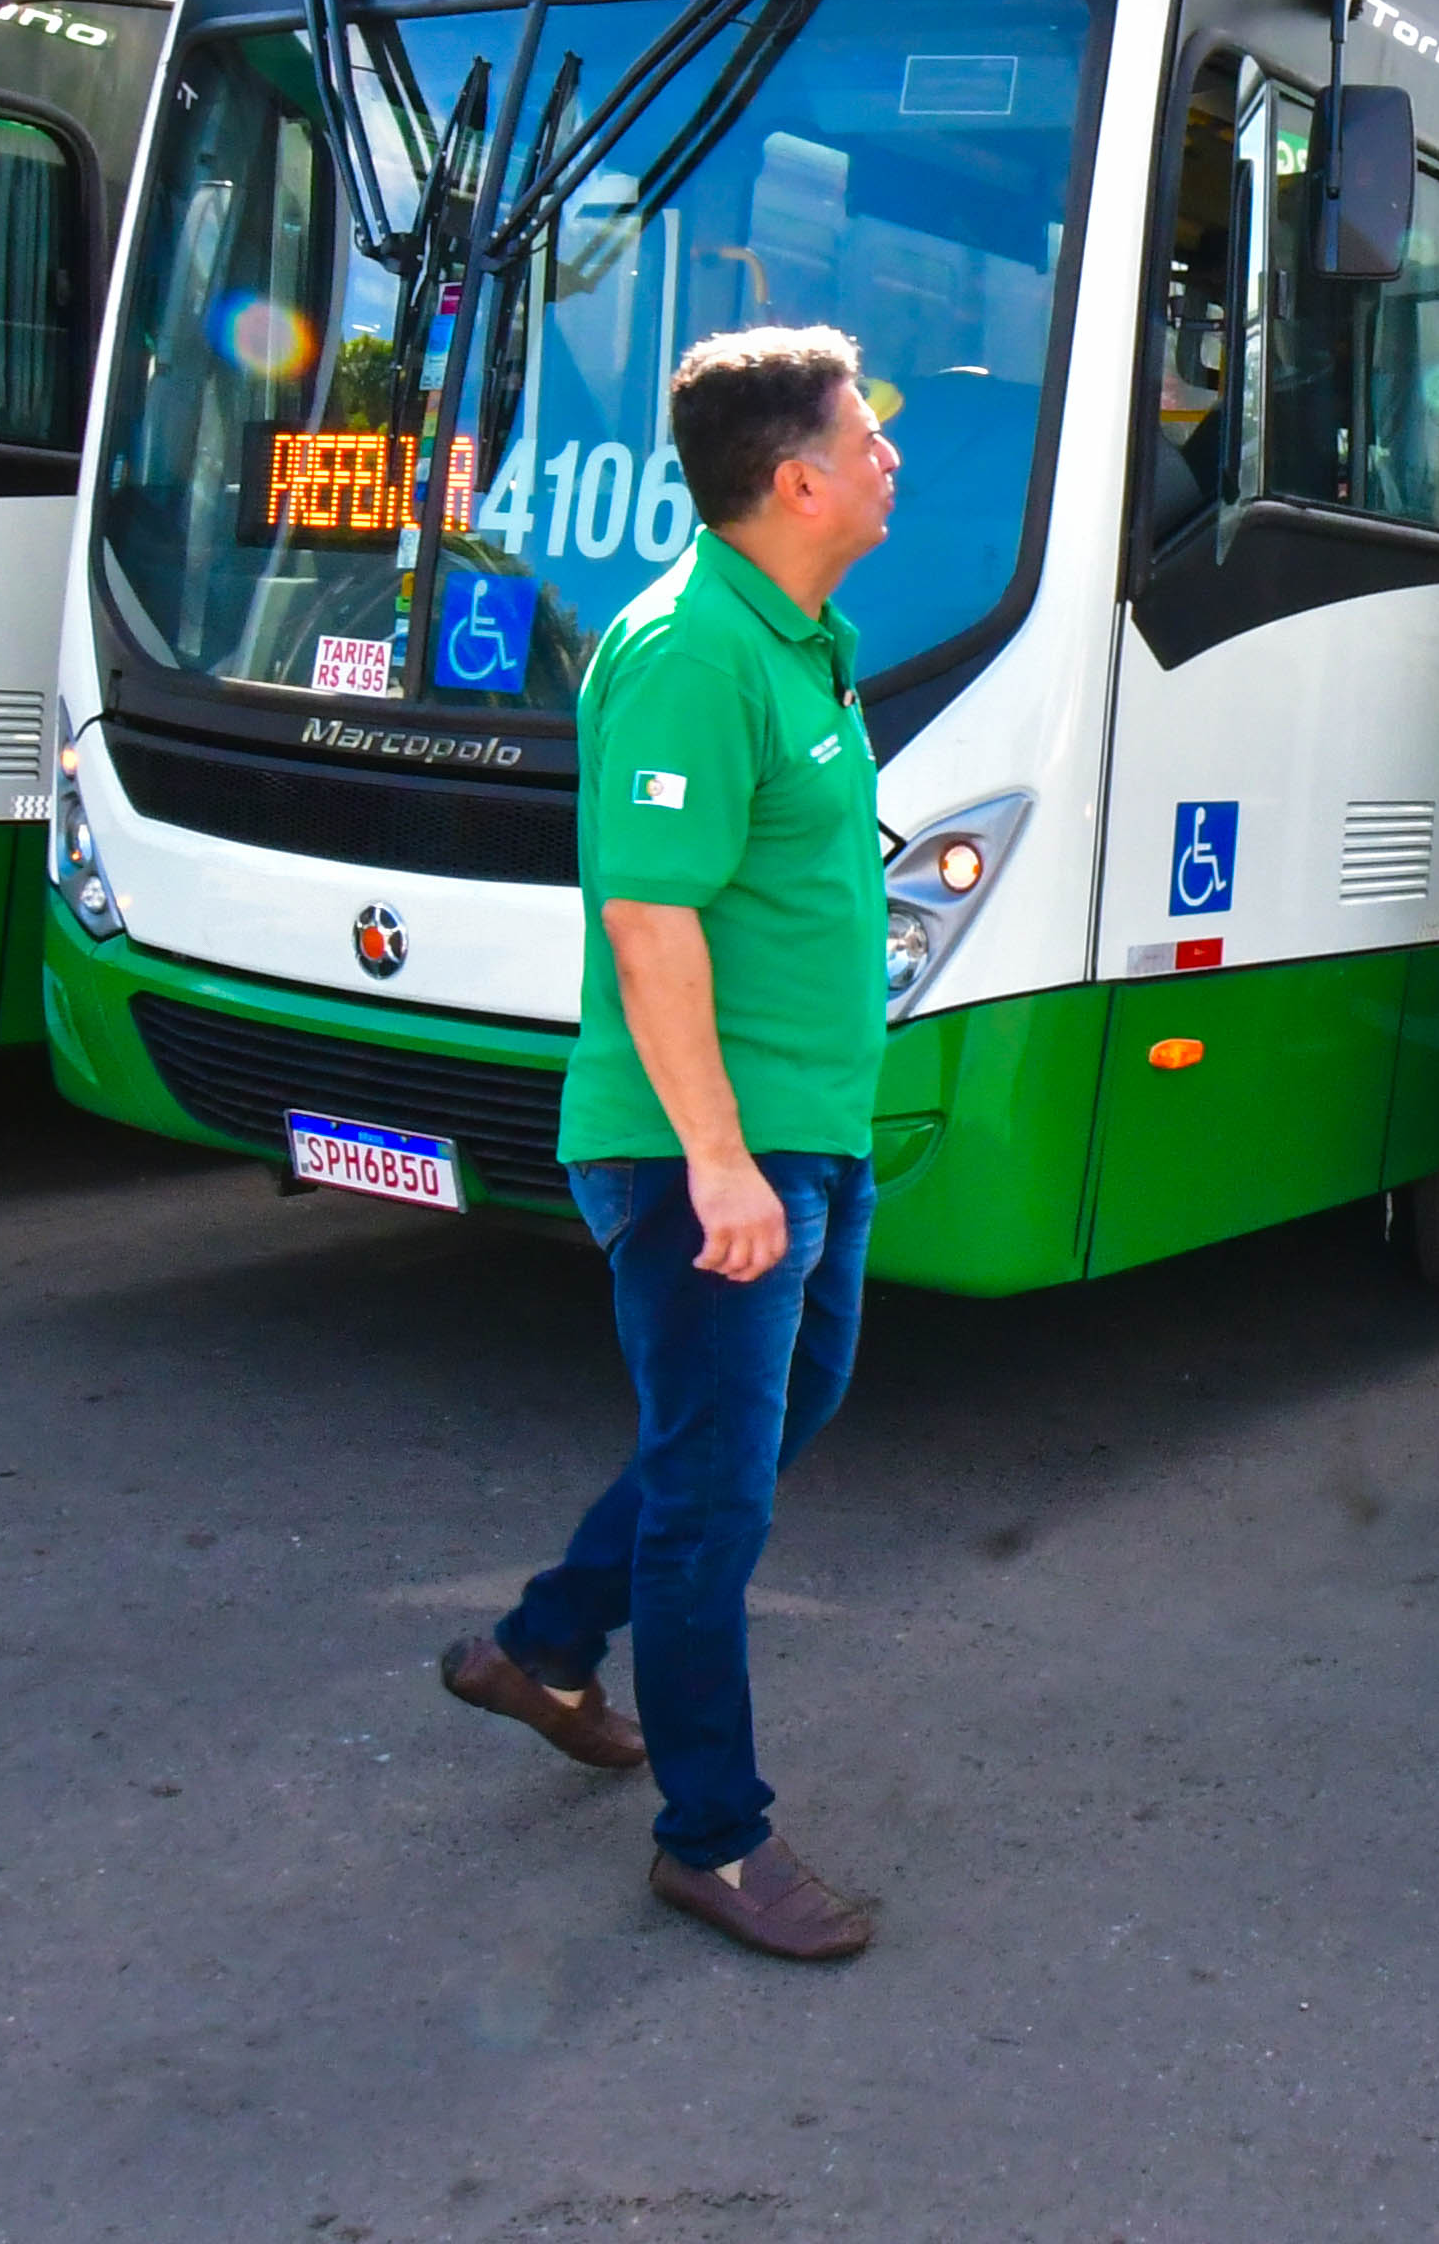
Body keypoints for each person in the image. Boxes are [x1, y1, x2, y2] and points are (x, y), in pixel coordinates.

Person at [439, 325, 899, 1962]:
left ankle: (546, 1646)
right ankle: (715, 1837)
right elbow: (649, 919)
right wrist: (719, 1162)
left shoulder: (801, 640)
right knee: (716, 1501)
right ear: (795, 478)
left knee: (782, 1415)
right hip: (713, 1150)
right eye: (867, 437)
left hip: (807, 1133)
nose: (886, 457)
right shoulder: (692, 649)